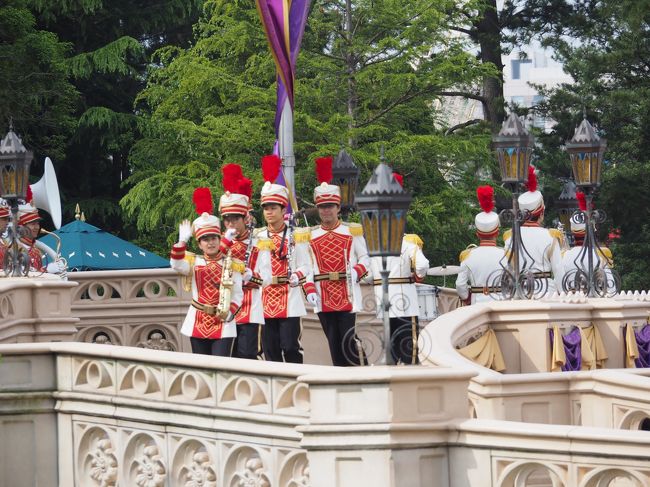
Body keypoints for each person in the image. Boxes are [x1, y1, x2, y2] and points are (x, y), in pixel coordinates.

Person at [301, 156, 370, 366]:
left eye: (330, 206)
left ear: (338, 207)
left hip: (347, 291)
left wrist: (358, 271)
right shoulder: (309, 235)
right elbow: (305, 266)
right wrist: (310, 290)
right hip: (323, 295)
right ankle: (341, 379)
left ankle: (362, 371)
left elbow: (366, 258)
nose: (326, 210)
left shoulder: (352, 231)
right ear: (317, 208)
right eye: (322, 207)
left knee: (349, 339)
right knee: (332, 341)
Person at [170, 187, 244, 356]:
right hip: (197, 320)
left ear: (220, 239)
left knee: (221, 366)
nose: (210, 243)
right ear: (199, 244)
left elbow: (238, 294)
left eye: (213, 238)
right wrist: (181, 242)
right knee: (201, 369)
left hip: (223, 322)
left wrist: (230, 312)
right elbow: (175, 265)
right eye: (205, 239)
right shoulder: (193, 262)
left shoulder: (233, 264)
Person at [367, 173, 429, 364]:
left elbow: (368, 275)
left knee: (390, 347)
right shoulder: (408, 243)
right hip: (405, 301)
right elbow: (423, 265)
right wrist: (417, 277)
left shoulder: (371, 244)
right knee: (409, 348)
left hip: (381, 301)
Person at [256, 155, 311, 363]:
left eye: (273, 208)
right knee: (269, 351)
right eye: (266, 208)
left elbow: (306, 265)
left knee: (290, 347)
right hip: (264, 298)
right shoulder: (258, 237)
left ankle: (297, 385)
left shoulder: (297, 236)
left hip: (290, 296)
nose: (269, 212)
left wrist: (298, 274)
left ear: (282, 209)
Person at [219, 163, 271, 359]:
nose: (230, 224)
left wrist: (250, 275)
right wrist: (224, 244)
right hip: (224, 306)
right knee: (225, 360)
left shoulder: (260, 243)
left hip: (250, 308)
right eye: (227, 220)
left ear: (245, 218)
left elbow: (265, 278)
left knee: (248, 357)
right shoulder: (218, 243)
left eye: (235, 219)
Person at [504, 166, 564, 296]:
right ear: (541, 212)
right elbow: (558, 270)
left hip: (521, 292)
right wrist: (564, 295)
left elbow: (508, 271)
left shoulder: (510, 237)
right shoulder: (550, 236)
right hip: (547, 293)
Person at [456, 185, 507, 304]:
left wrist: (467, 298)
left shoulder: (467, 255)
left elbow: (460, 285)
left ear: (477, 234)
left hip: (476, 306)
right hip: (501, 304)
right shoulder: (506, 254)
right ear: (497, 232)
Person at [562, 191, 614, 292]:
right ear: (592, 231)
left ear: (573, 233)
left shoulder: (564, 255)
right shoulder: (599, 254)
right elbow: (611, 288)